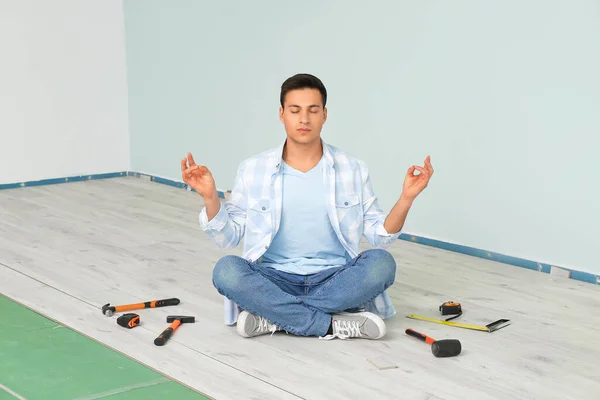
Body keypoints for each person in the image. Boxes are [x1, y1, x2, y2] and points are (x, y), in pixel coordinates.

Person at [181, 73, 433, 340]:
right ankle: (329, 324)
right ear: (282, 114)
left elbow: (380, 238)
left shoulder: (352, 168)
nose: (304, 119)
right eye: (295, 110)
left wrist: (407, 198)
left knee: (381, 264)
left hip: (335, 279)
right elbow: (227, 237)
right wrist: (210, 197)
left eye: (313, 110)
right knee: (227, 271)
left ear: (324, 115)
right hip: (274, 280)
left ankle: (276, 318)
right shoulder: (253, 168)